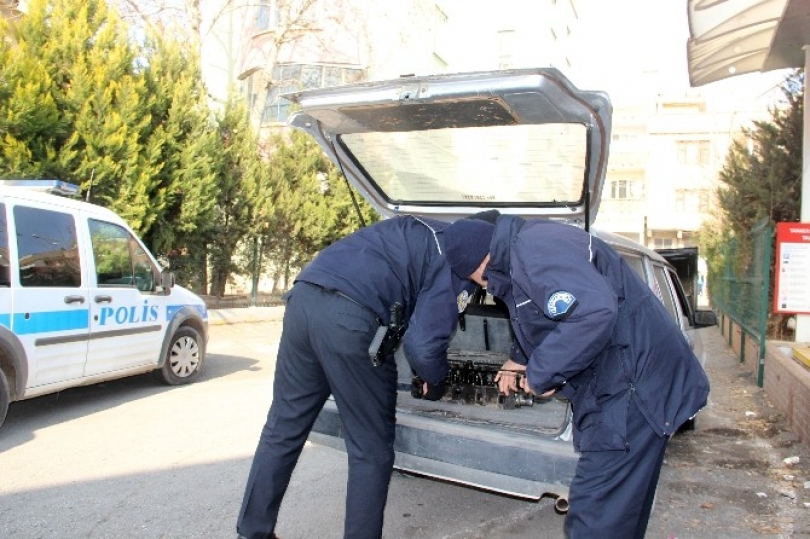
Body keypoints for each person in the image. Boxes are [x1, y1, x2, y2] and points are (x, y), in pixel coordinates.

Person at [442, 213, 710, 539]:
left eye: (479, 281)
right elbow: (538, 311)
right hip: (623, 380)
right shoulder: (520, 251)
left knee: (594, 517)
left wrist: (541, 373)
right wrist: (518, 360)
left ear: (482, 263)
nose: (485, 287)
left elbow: (594, 313)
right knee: (617, 515)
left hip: (632, 389)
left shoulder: (533, 251)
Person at [236, 215, 477, 539]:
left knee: (283, 427)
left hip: (304, 298)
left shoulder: (412, 225)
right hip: (351, 319)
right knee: (371, 450)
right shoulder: (463, 256)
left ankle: (252, 532)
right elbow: (423, 342)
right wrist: (435, 381)